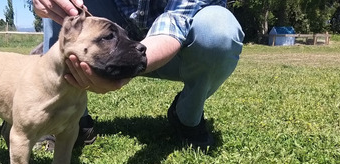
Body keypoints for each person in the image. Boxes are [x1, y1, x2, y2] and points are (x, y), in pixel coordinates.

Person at [33, 0, 244, 148]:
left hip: (178, 47)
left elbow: (175, 21)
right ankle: (70, 118)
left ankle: (187, 116)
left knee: (219, 32)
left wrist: (130, 62)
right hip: (111, 29)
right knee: (63, 4)